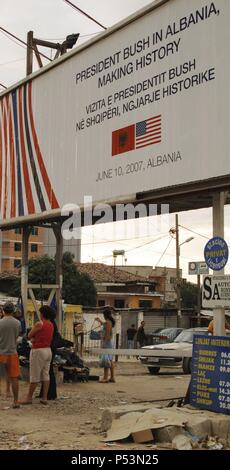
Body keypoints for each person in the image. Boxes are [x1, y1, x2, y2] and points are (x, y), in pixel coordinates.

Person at [21, 305, 54, 405]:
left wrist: (34, 338)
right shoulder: (51, 324)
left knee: (34, 375)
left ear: (42, 314)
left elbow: (29, 335)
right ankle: (44, 398)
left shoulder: (39, 324)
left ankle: (29, 398)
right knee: (46, 374)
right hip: (48, 350)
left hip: (38, 350)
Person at [0, 302, 20, 408]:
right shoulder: (17, 323)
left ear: (3, 311)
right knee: (14, 378)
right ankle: (16, 401)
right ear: (13, 311)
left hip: (0, 352)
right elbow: (16, 336)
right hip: (12, 352)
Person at [95, 307, 116, 383]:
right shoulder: (108, 322)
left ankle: (105, 378)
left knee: (105, 360)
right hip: (109, 342)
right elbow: (104, 325)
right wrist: (99, 321)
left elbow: (108, 333)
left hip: (107, 342)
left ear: (105, 315)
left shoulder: (108, 322)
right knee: (110, 360)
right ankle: (112, 377)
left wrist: (104, 343)